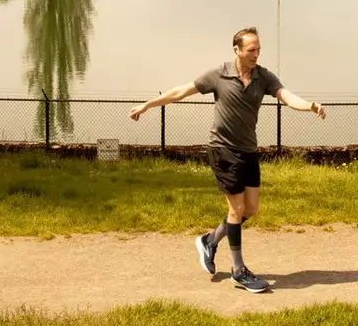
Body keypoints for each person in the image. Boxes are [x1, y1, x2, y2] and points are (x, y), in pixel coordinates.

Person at [128, 26, 326, 293]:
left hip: (248, 151)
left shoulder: (263, 77)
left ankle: (210, 241)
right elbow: (180, 92)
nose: (256, 54)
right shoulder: (219, 74)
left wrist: (310, 106)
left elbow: (287, 97)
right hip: (223, 150)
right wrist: (147, 105)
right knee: (236, 210)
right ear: (237, 50)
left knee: (251, 209)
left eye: (258, 49)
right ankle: (238, 271)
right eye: (251, 49)